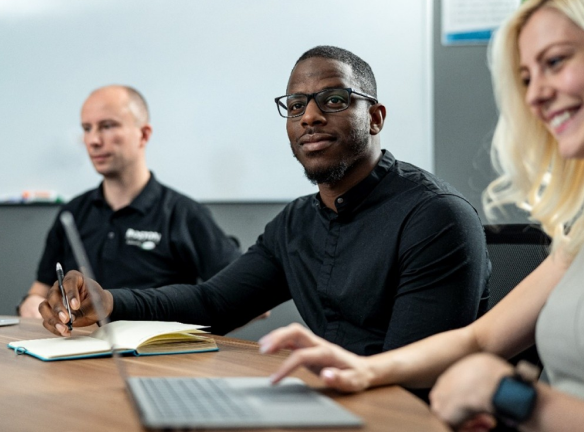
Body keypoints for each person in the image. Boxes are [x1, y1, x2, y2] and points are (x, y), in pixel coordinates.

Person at [259, 0, 584, 431]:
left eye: (556, 61)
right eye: (527, 77)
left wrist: (511, 395)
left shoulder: (434, 212)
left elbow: (489, 370)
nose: (536, 94)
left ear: (374, 118)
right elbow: (479, 338)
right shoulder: (579, 231)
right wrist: (360, 368)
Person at [40, 46, 490, 361]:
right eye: (295, 106)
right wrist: (109, 301)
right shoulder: (295, 224)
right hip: (331, 401)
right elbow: (212, 303)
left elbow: (411, 379)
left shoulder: (435, 217)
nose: (309, 116)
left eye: (333, 99)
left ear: (374, 118)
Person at [18, 85, 241, 318]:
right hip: (77, 349)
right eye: (87, 128)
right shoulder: (72, 213)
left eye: (107, 126)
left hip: (158, 352)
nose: (93, 140)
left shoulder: (184, 214)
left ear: (143, 134)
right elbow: (39, 291)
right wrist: (35, 306)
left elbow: (247, 297)